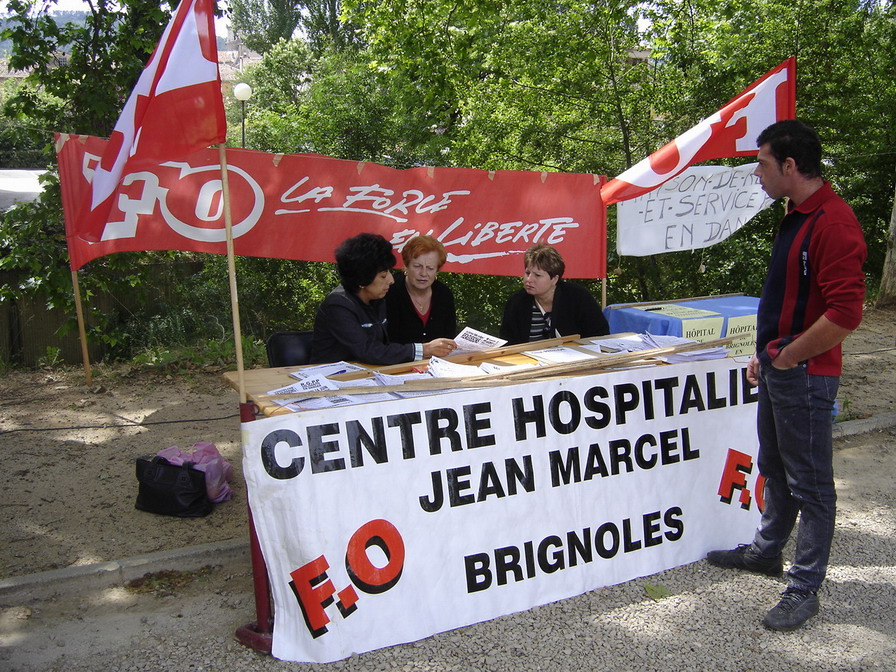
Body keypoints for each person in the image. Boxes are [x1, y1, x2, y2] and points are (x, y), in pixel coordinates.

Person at [706, 120, 866, 631]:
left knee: (811, 482)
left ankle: (804, 586)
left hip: (806, 374)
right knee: (774, 465)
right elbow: (791, 301)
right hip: (781, 366)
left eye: (763, 162)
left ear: (790, 166)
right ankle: (767, 551)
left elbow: (846, 313)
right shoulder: (797, 214)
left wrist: (790, 355)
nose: (757, 172)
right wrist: (768, 353)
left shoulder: (834, 222)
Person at [310, 233, 457, 365]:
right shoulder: (338, 306)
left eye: (430, 268)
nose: (391, 280)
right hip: (332, 380)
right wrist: (424, 349)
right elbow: (370, 351)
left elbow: (386, 347)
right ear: (363, 279)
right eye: (383, 276)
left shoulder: (377, 298)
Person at [499, 243, 609, 345]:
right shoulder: (517, 302)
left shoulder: (577, 297)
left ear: (555, 279)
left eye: (537, 275)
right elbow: (507, 342)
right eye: (527, 273)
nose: (529, 279)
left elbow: (600, 336)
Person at [386, 235, 457, 343]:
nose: (424, 273)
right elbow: (385, 343)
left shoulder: (444, 294)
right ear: (406, 266)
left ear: (437, 270)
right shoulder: (389, 291)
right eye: (417, 266)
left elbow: (449, 337)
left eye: (430, 268)